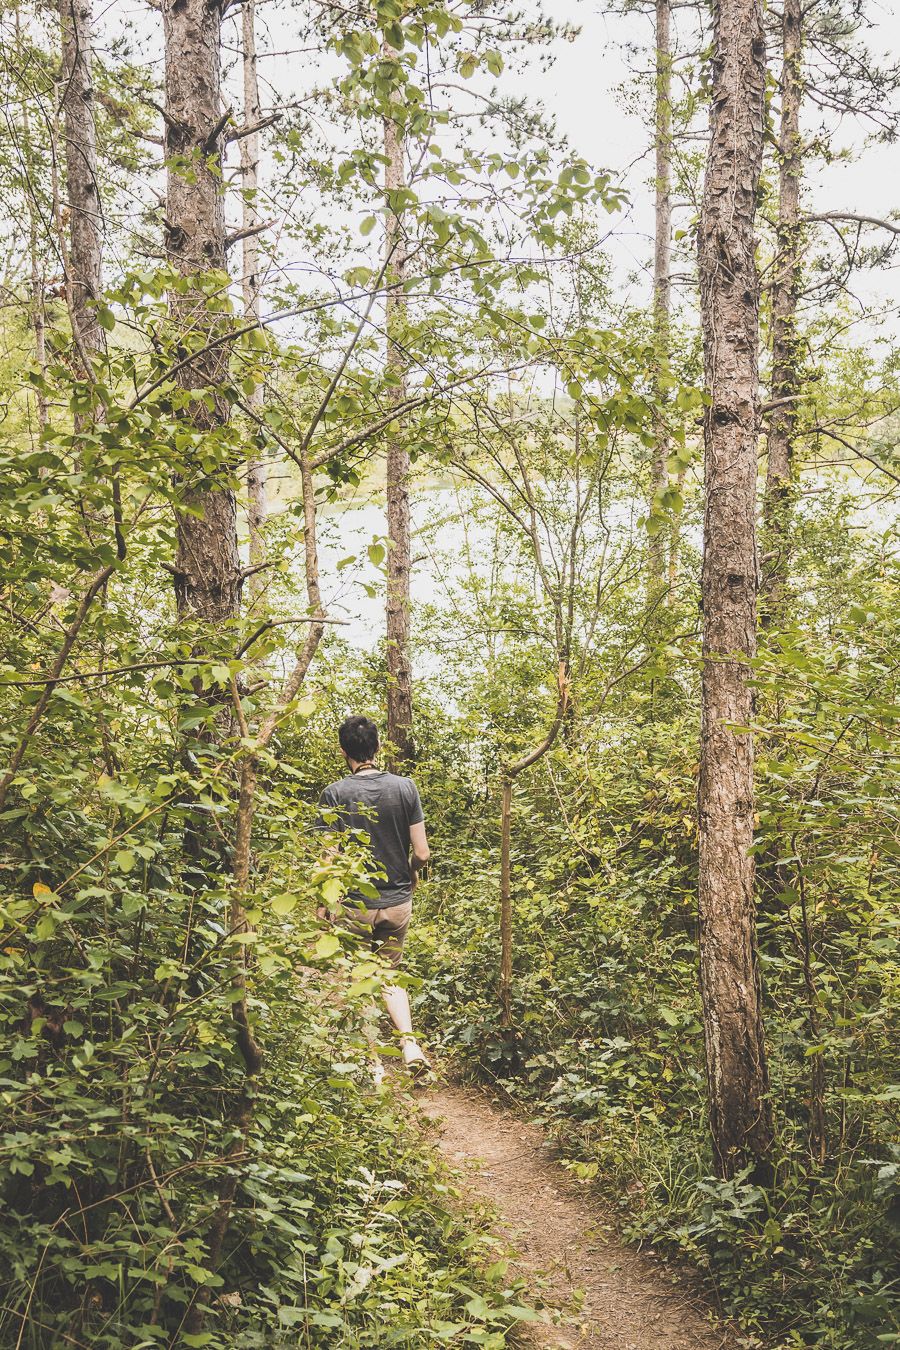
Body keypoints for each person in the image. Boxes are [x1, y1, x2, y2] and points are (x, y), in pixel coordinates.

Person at [314, 714, 431, 1077]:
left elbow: (329, 858)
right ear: (377, 747)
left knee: (356, 980)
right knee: (390, 975)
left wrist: (323, 902)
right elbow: (423, 853)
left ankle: (372, 1064)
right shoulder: (405, 788)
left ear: (342, 750)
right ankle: (410, 1047)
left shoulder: (334, 793)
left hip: (352, 904)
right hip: (397, 903)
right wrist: (410, 875)